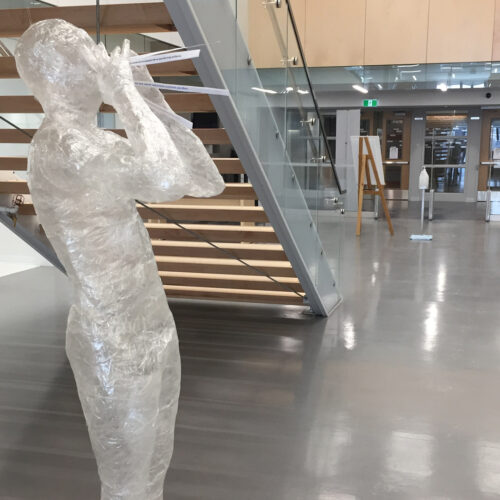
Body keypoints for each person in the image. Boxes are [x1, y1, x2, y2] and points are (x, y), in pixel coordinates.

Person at [14, 18, 225, 500]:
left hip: (152, 322)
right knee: (126, 481)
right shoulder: (61, 147)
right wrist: (126, 94)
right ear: (56, 73)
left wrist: (147, 95)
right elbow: (164, 179)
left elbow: (203, 179)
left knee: (153, 470)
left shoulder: (99, 142)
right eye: (85, 54)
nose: (97, 62)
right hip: (112, 337)